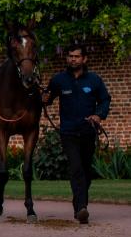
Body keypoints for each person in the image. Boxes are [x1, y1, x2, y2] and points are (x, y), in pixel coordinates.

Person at [42, 44, 111, 224]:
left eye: (76, 56)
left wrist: (99, 114)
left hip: (88, 132)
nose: (73, 59)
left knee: (86, 172)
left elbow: (105, 99)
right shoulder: (59, 80)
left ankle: (79, 205)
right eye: (70, 56)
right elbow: (48, 98)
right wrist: (45, 98)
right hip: (68, 132)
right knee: (76, 169)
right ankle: (82, 208)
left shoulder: (94, 80)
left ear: (84, 59)